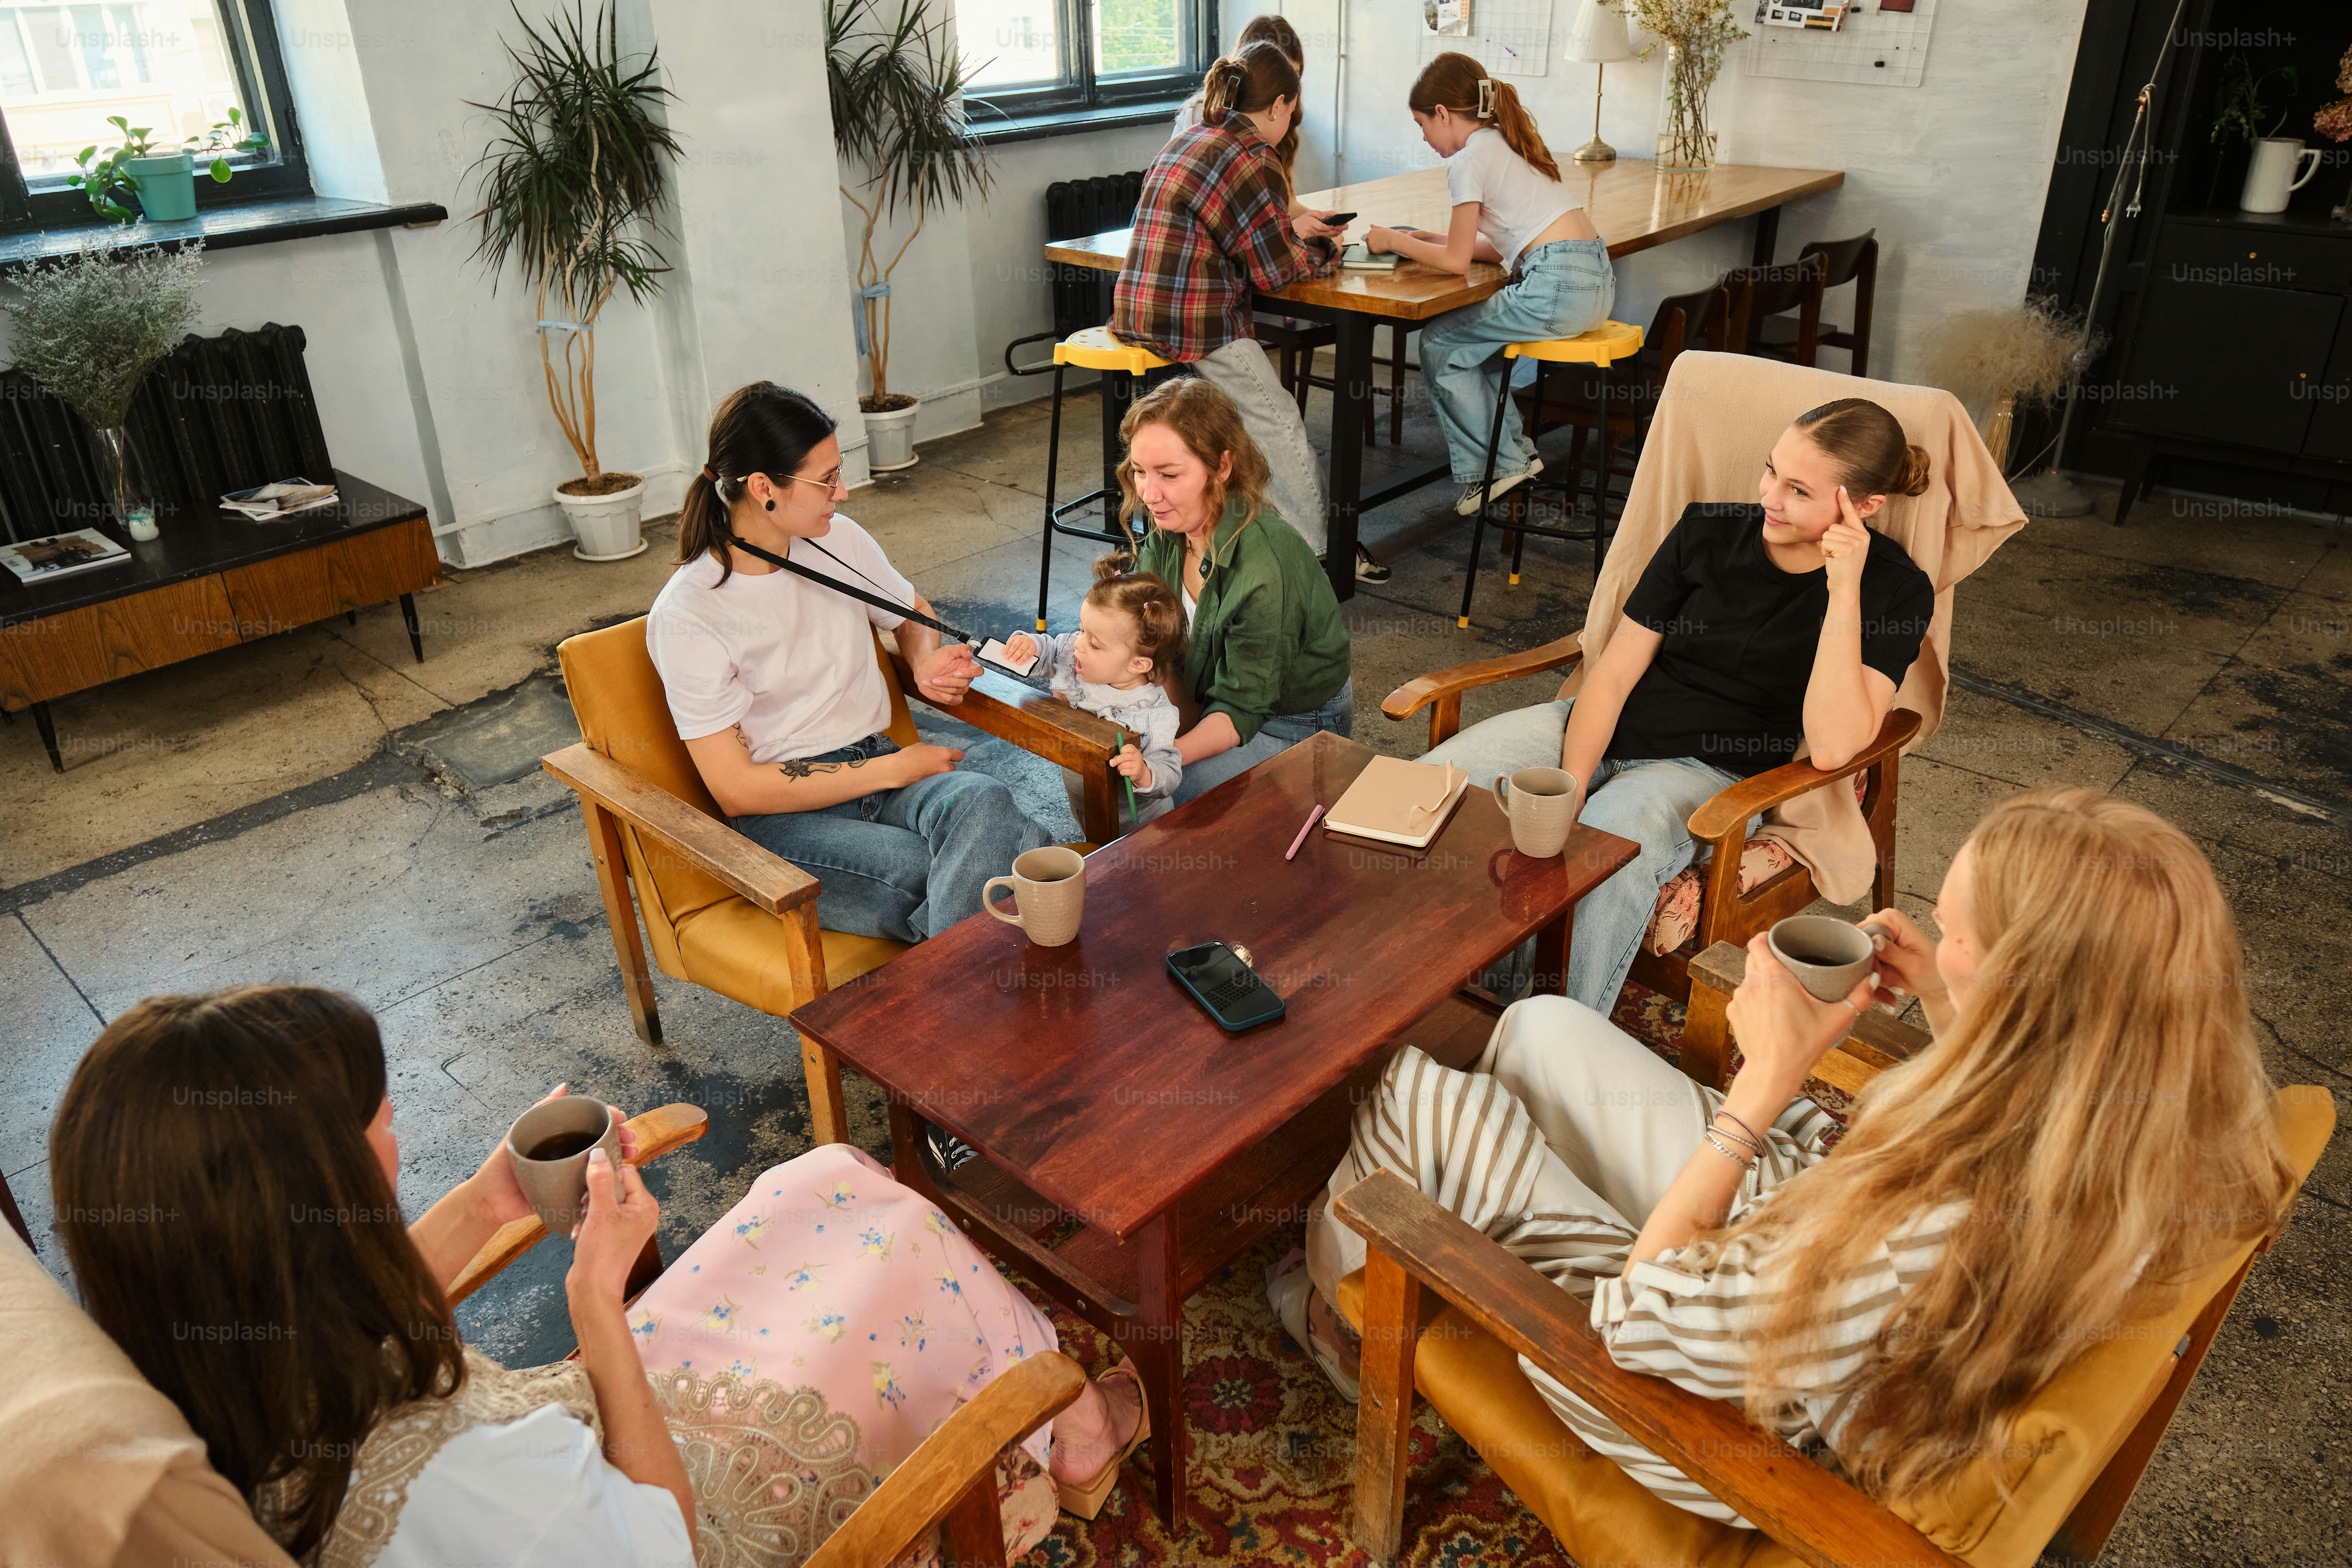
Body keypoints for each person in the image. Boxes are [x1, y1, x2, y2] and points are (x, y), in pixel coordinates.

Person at [1304, 787, 2296, 1521]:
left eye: (1956, 933)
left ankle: (1332, 1301)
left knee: (1413, 1095)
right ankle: (1462, 1188)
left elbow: (1641, 1321)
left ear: (2030, 994)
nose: (1935, 937)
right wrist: (1954, 1007)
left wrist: (1764, 1087)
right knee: (1538, 1030)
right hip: (1807, 1257)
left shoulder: (1925, 1233)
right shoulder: (2144, 1116)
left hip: (1714, 1415)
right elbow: (1984, 1121)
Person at [50, 985, 1152, 1566]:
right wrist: (595, 1301)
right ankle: (1071, 1421)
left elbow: (350, 1321)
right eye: (377, 1118)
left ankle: (1057, 1410)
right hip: (659, 1494)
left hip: (564, 1435)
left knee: (819, 1181)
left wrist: (489, 1200)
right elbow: (663, 1540)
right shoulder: (466, 1490)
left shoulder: (195, 1356)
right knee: (899, 1255)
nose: (398, 1124)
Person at [1420, 397, 1938, 1012]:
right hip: (1594, 726)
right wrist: (1572, 784)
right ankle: (1419, 992)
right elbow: (1613, 674)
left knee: (1605, 848)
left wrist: (1843, 589)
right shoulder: (1707, 529)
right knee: (1438, 786)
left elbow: (1832, 746)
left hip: (1708, 772)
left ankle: (1540, 1042)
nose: (1769, 497)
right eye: (1771, 471)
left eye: (1798, 490)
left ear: (1866, 507)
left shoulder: (1895, 588)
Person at [646, 382, 1051, 944]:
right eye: (826, 479)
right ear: (764, 488)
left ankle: (952, 1004)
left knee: (984, 803)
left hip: (879, 769)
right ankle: (976, 1001)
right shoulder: (689, 613)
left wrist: (923, 661)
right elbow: (737, 790)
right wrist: (895, 769)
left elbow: (909, 612)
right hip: (788, 818)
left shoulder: (840, 541)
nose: (844, 494)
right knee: (984, 860)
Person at [1115, 41, 1394, 584]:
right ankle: (1323, 553)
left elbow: (1238, 235)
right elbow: (1276, 273)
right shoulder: (1255, 157)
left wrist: (1289, 232)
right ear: (1281, 105)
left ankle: (1245, 532)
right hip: (1193, 321)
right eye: (1292, 112)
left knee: (1241, 418)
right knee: (1278, 417)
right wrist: (1329, 249)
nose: (1290, 123)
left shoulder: (1194, 136)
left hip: (1137, 310)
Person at [1365, 51, 1614, 515]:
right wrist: (1421, 238)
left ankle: (1504, 465)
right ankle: (1515, 455)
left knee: (1440, 343)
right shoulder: (1506, 141)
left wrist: (1390, 239)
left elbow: (1456, 262)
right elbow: (1495, 246)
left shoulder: (1466, 161)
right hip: (1595, 281)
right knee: (1479, 350)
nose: (1423, 137)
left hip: (1555, 286)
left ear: (1443, 114)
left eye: (1422, 124)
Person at [1117, 377, 1353, 803]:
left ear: (1222, 467)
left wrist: (1160, 760)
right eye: (1139, 471)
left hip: (1291, 721)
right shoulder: (1171, 523)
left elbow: (1240, 710)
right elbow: (1150, 638)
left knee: (1161, 793)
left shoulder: (1266, 566)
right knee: (1097, 770)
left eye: (1169, 474)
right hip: (1203, 691)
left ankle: (1158, 868)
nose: (1149, 494)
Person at [1001, 557, 1189, 828]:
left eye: (1095, 644)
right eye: (1081, 629)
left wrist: (1144, 773)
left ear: (1137, 664)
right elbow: (1051, 651)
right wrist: (1031, 645)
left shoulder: (1154, 714)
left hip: (1141, 826)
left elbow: (1170, 774)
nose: (1079, 644)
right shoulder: (1075, 658)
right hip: (1084, 799)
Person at [1170, 13, 1305, 171]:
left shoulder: (1283, 110)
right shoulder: (1199, 114)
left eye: (1294, 75)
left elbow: (1285, 189)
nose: (1289, 88)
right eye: (1279, 78)